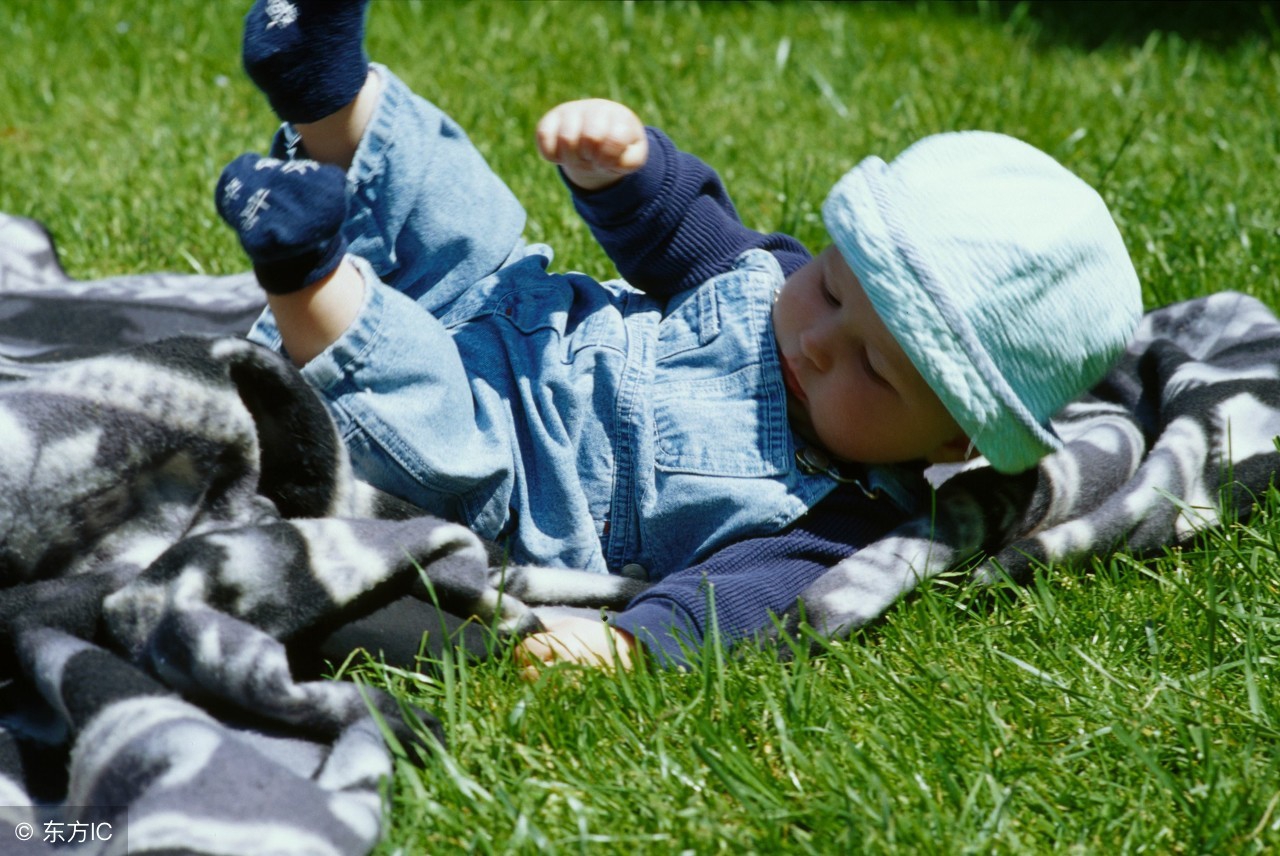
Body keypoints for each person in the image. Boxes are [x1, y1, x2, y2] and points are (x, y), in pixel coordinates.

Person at [218, 0, 1143, 671]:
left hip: (502, 458)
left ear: (951, 441)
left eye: (873, 365)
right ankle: (329, 93)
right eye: (831, 287)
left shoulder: (832, 520)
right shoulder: (768, 279)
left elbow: (733, 603)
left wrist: (627, 645)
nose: (822, 337)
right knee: (462, 212)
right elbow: (679, 229)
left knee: (423, 407)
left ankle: (307, 267)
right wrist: (626, 167)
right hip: (507, 305)